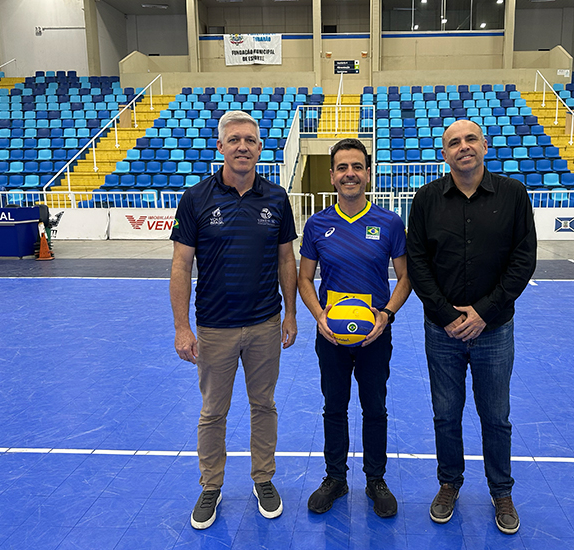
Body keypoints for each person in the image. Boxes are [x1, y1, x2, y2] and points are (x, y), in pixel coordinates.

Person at [169, 110, 298, 530]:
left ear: (260, 148)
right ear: (220, 146)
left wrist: (291, 313)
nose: (243, 146)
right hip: (214, 327)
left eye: (250, 140)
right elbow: (181, 265)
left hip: (265, 324)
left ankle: (263, 479)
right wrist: (182, 327)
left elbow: (286, 259)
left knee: (264, 405)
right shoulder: (195, 198)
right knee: (213, 411)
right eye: (235, 140)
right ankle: (211, 485)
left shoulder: (276, 197)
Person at [406, 119, 536, 534]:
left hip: (494, 330)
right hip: (441, 332)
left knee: (496, 417)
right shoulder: (426, 199)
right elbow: (417, 263)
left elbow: (523, 260)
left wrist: (482, 313)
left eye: (470, 139)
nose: (463, 146)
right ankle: (449, 484)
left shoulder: (514, 195)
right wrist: (448, 315)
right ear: (444, 153)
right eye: (454, 142)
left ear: (485, 145)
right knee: (446, 415)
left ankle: (501, 491)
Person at [298, 138, 411, 518]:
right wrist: (318, 315)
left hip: (374, 334)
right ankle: (335, 478)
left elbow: (405, 277)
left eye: (357, 167)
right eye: (343, 168)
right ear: (332, 176)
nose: (350, 174)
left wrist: (387, 314)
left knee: (374, 407)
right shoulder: (317, 224)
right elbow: (304, 279)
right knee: (334, 406)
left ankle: (375, 479)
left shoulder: (389, 222)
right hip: (331, 335)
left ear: (368, 173)